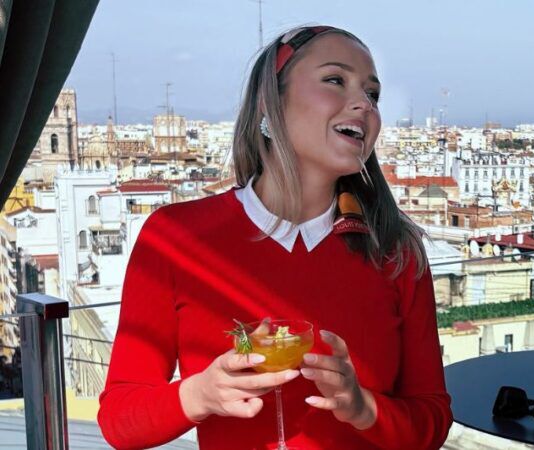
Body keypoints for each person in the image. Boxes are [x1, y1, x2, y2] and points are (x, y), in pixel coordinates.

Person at [97, 25, 452, 449]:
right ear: (270, 103)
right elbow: (119, 420)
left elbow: (432, 420)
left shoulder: (395, 249)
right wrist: (199, 395)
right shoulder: (174, 238)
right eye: (335, 80)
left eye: (372, 93)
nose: (364, 104)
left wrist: (364, 409)